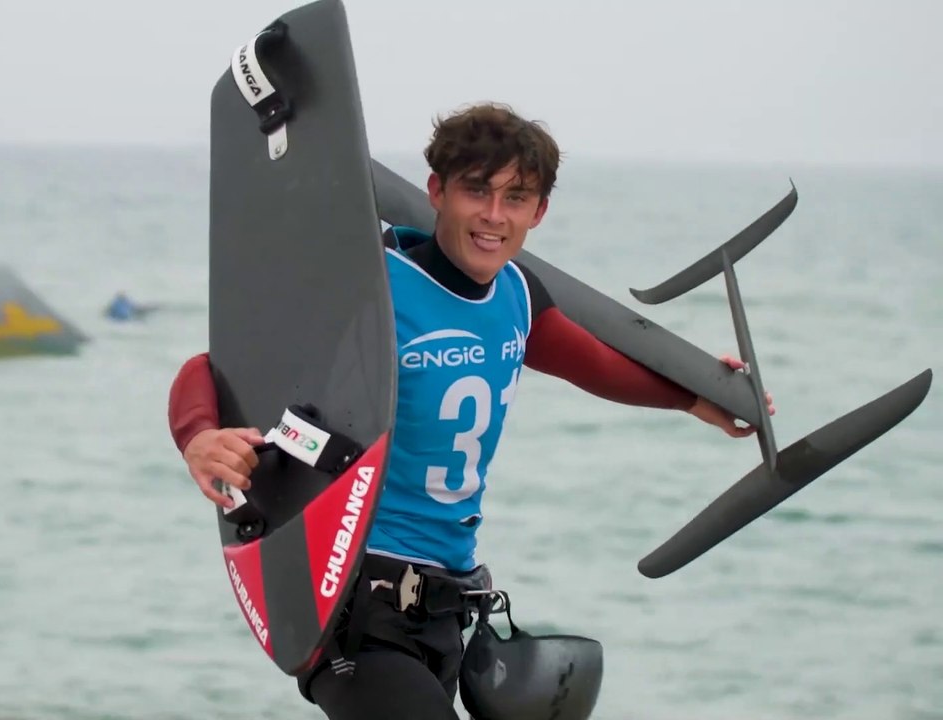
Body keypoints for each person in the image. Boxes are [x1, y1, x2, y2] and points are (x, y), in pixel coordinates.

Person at [167, 102, 775, 720]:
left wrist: (697, 397)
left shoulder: (515, 295)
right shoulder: (372, 289)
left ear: (538, 213)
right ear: (436, 191)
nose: (493, 215)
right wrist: (199, 437)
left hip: (447, 614)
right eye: (476, 191)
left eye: (516, 198)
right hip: (353, 605)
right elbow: (213, 368)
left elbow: (593, 364)